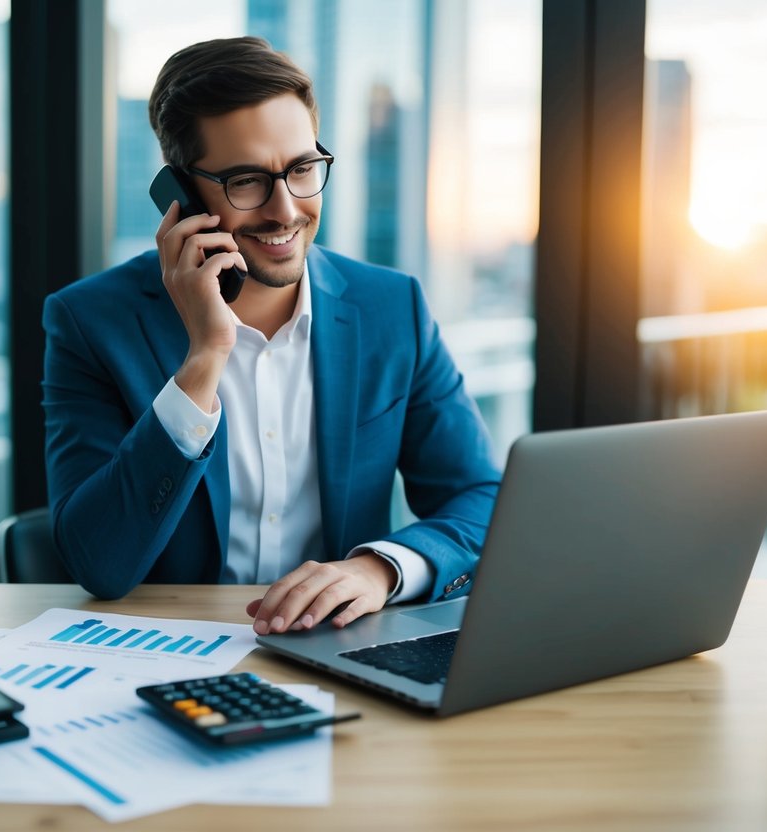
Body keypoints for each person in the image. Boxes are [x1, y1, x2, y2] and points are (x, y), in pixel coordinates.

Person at [42, 36, 500, 635]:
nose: (285, 210)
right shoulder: (91, 322)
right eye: (246, 180)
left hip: (342, 648)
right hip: (169, 651)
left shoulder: (391, 308)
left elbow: (482, 500)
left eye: (303, 169)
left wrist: (378, 571)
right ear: (180, 194)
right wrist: (204, 358)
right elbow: (100, 563)